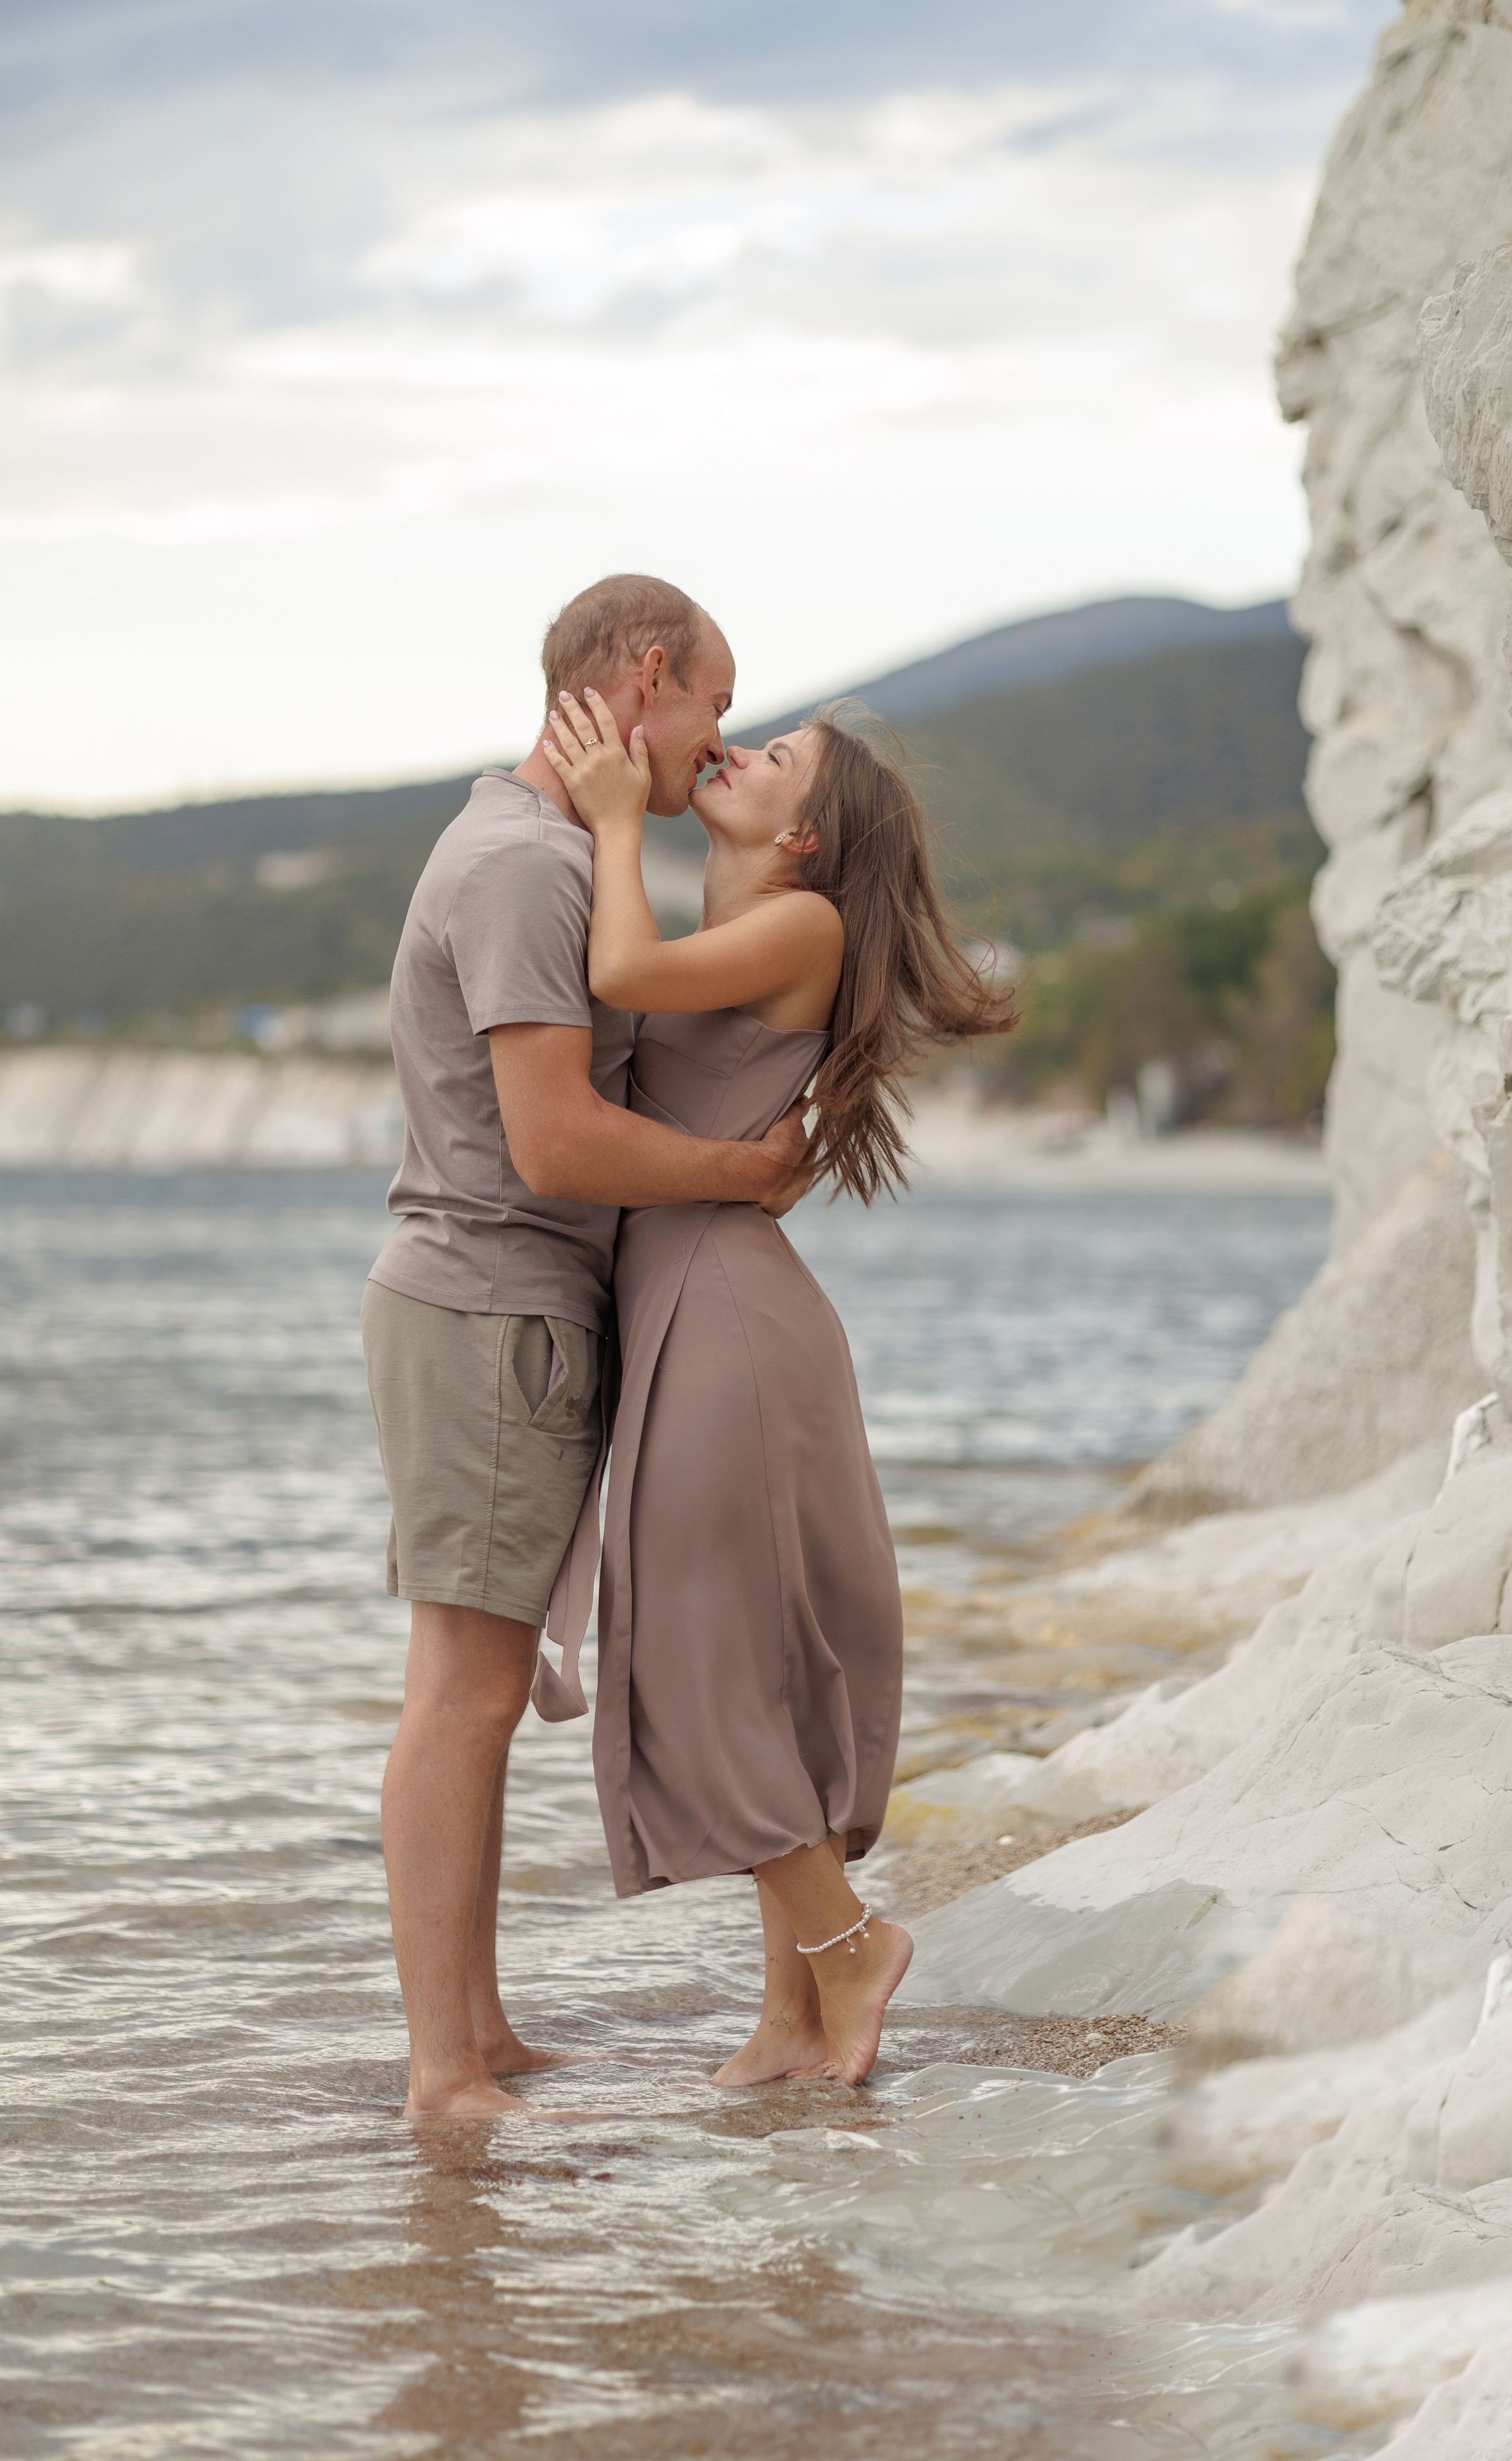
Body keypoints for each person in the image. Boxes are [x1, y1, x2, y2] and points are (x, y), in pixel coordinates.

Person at [363, 576, 812, 2122]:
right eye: (715, 703)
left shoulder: (543, 852)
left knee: (474, 1686)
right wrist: (746, 1173)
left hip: (497, 1308)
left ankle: (477, 2037)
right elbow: (553, 1141)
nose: (718, 739)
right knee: (465, 1692)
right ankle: (443, 2076)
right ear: (646, 678)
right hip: (488, 1305)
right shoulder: (526, 868)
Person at [538, 685, 1015, 2085]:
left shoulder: (801, 926)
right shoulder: (750, 923)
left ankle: (849, 1952)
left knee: (700, 1654)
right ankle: (793, 2017)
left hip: (726, 1319)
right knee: (748, 1654)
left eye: (776, 755)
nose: (738, 751)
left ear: (807, 836)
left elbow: (621, 972)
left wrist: (614, 817)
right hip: (702, 1305)